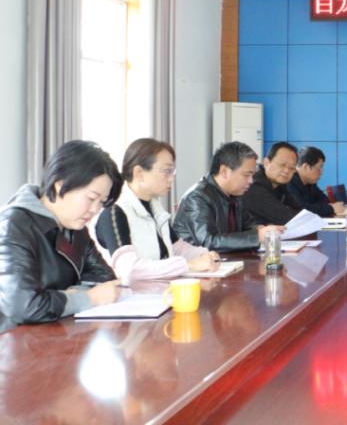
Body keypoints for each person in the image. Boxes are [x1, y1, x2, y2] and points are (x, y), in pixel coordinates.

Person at [0, 141, 122, 331]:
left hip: (56, 333)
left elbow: (105, 278)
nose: (95, 209)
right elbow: (24, 306)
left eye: (101, 202)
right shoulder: (13, 225)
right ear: (60, 185)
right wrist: (88, 298)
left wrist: (69, 298)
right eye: (91, 198)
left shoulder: (75, 227)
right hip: (13, 340)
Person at [93, 138, 218, 283]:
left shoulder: (154, 205)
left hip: (159, 290)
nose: (171, 179)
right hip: (128, 294)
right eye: (167, 171)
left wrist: (205, 255)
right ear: (139, 173)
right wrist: (188, 265)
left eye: (173, 172)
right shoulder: (114, 211)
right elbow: (129, 269)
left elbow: (177, 248)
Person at [172, 141, 281, 252]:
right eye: (246, 175)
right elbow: (208, 242)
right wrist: (257, 236)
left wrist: (262, 229)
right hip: (196, 262)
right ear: (224, 171)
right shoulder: (197, 197)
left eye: (252, 175)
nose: (251, 181)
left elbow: (248, 225)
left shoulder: (234, 194)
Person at [242, 141, 303, 226]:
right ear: (266, 163)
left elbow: (299, 210)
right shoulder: (254, 187)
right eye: (282, 165)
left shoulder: (281, 186)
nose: (286, 171)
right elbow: (286, 218)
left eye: (291, 168)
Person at [287, 146, 345, 217]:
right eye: (320, 167)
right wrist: (331, 208)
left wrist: (331, 207)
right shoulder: (289, 182)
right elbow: (300, 210)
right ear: (306, 167)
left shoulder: (310, 183)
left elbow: (325, 201)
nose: (321, 172)